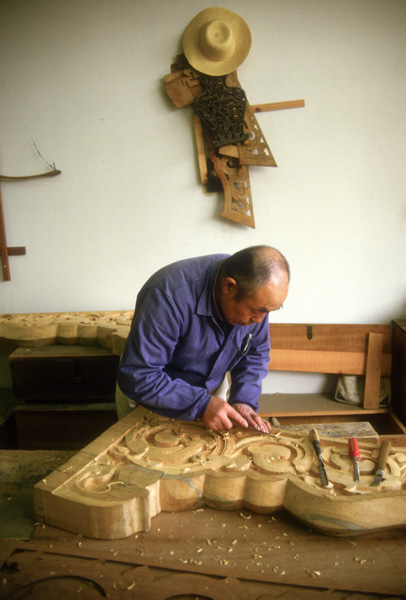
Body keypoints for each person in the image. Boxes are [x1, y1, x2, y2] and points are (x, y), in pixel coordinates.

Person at [116, 245, 289, 432]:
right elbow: (139, 375)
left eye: (267, 312)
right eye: (256, 311)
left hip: (211, 395)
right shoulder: (168, 294)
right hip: (154, 396)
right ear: (229, 287)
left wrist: (243, 400)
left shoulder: (255, 295)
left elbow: (255, 353)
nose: (259, 321)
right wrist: (201, 404)